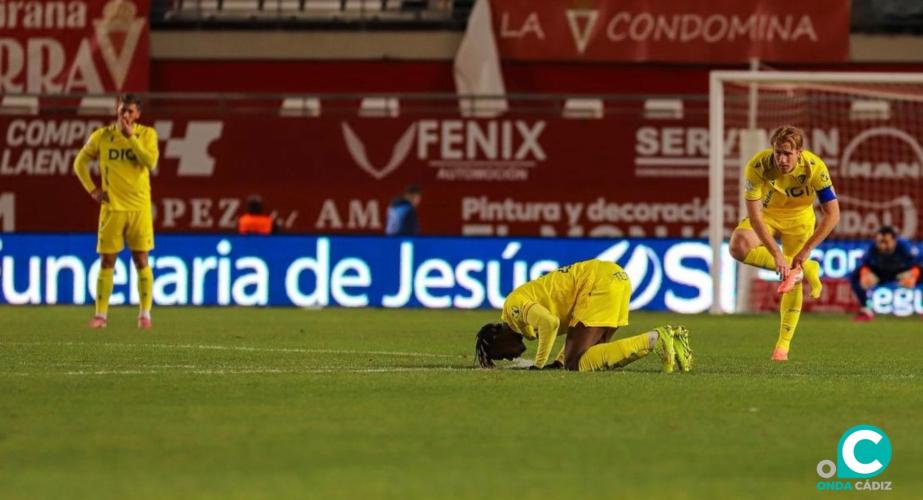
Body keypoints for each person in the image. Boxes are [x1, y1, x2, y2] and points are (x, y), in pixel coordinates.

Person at [728, 125, 840, 361]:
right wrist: (775, 253)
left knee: (792, 281)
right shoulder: (757, 166)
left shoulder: (815, 167)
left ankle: (782, 346)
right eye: (778, 152)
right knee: (738, 246)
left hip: (800, 221)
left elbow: (832, 214)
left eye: (787, 153)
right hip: (767, 217)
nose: (781, 158)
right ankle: (806, 269)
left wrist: (808, 248)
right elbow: (756, 216)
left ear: (799, 152)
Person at [474, 258, 693, 373]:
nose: (509, 359)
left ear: (497, 338)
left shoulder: (513, 307)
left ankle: (657, 337)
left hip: (596, 283)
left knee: (575, 364)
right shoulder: (523, 323)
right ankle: (672, 338)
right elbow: (571, 324)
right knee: (590, 358)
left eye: (500, 354)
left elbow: (550, 323)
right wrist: (558, 361)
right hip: (613, 277)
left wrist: (539, 365)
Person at [73, 94, 159, 329]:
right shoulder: (102, 136)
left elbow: (150, 162)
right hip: (112, 209)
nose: (126, 116)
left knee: (141, 259)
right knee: (107, 261)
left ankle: (144, 315)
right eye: (123, 111)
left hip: (139, 208)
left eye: (131, 112)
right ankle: (101, 316)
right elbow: (79, 163)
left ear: (138, 114)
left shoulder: (147, 135)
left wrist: (131, 138)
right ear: (117, 111)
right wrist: (92, 190)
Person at [850, 226, 921, 321]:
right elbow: (864, 264)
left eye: (886, 242)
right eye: (880, 242)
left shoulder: (904, 246)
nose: (882, 245)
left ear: (894, 240)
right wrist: (864, 273)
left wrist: (914, 274)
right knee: (855, 276)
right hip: (881, 274)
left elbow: (919, 262)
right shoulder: (873, 248)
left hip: (901, 273)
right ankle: (866, 310)